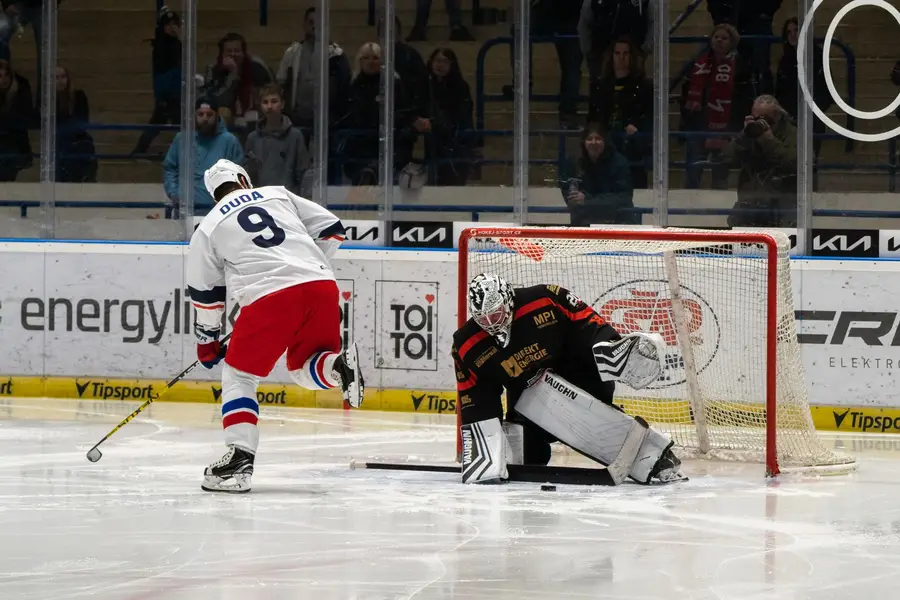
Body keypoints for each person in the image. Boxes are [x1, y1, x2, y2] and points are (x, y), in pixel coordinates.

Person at [187, 159, 364, 493]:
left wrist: (207, 340)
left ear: (213, 195)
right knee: (303, 367)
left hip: (270, 297)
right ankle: (339, 366)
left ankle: (239, 461)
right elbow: (332, 228)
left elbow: (207, 294)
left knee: (239, 376)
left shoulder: (208, 227)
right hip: (321, 286)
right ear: (243, 179)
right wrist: (307, 268)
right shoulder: (275, 194)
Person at [451, 274, 685, 485]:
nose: (491, 323)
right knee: (525, 452)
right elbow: (476, 398)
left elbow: (588, 325)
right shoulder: (467, 345)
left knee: (560, 397)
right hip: (528, 400)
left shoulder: (545, 298)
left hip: (581, 377)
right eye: (483, 318)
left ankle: (653, 456)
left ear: (508, 300)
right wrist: (485, 453)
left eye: (495, 314)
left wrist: (613, 350)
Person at [721, 94, 797, 227]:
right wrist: (743, 135)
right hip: (750, 202)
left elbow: (795, 163)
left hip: (780, 204)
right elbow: (727, 158)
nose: (762, 122)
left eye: (766, 119)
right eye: (756, 118)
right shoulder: (749, 133)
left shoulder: (793, 134)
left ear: (778, 116)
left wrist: (770, 142)